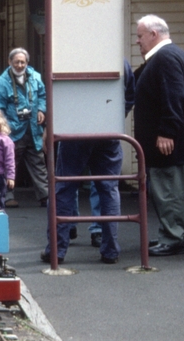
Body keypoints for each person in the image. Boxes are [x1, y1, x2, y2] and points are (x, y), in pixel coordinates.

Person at [41, 59, 135, 265]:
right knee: (109, 189)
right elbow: (130, 94)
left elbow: (57, 94)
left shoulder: (70, 56)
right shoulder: (118, 58)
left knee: (64, 188)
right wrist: (114, 116)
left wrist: (52, 125)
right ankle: (110, 249)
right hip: (108, 130)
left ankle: (56, 250)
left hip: (74, 130)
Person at [134, 15, 184, 256]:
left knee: (167, 191)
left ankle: (173, 237)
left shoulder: (164, 58)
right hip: (175, 140)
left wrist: (168, 131)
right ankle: (176, 234)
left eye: (140, 36)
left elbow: (174, 97)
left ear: (154, 34)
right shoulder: (179, 55)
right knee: (171, 190)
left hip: (166, 143)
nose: (137, 41)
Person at [0, 48, 48, 207]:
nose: (20, 65)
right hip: (11, 131)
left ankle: (45, 196)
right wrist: (2, 131)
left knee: (39, 163)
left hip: (33, 128)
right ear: (10, 62)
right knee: (9, 164)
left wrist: (42, 110)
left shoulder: (36, 78)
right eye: (17, 62)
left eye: (23, 62)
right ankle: (7, 197)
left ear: (27, 63)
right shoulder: (0, 84)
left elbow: (43, 95)